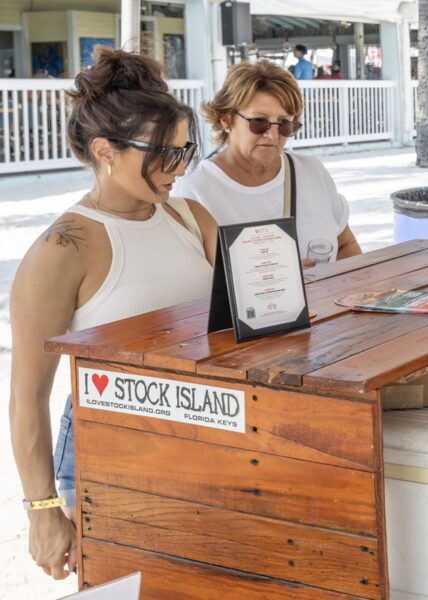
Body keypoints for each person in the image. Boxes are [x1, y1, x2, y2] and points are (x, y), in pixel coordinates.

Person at [9, 46, 216, 581]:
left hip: (209, 435)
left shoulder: (192, 216)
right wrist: (42, 511)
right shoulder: (62, 249)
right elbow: (28, 394)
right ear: (105, 150)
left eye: (184, 151)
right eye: (163, 154)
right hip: (110, 454)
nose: (180, 168)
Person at [173, 61, 361, 264]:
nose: (272, 135)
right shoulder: (194, 192)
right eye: (259, 122)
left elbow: (345, 245)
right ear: (226, 119)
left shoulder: (312, 172)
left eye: (284, 124)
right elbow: (195, 286)